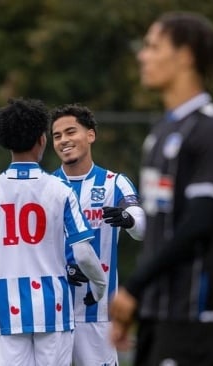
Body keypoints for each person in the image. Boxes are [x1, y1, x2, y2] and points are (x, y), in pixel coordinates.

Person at [109, 12, 213, 366]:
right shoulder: (160, 134)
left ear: (185, 56)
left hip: (190, 314)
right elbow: (159, 230)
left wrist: (133, 286)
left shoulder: (211, 131)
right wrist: (138, 301)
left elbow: (199, 224)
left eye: (152, 46)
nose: (142, 56)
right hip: (153, 312)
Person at [0, 98, 108, 366]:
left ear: (5, 142)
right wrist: (100, 284)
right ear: (42, 139)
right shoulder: (61, 191)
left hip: (5, 310)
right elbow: (83, 253)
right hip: (54, 310)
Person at [50, 104, 146, 366]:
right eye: (57, 136)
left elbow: (142, 227)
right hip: (53, 315)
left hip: (97, 315)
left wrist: (127, 218)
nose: (64, 140)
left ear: (90, 135)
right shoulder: (45, 186)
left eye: (71, 132)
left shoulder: (115, 182)